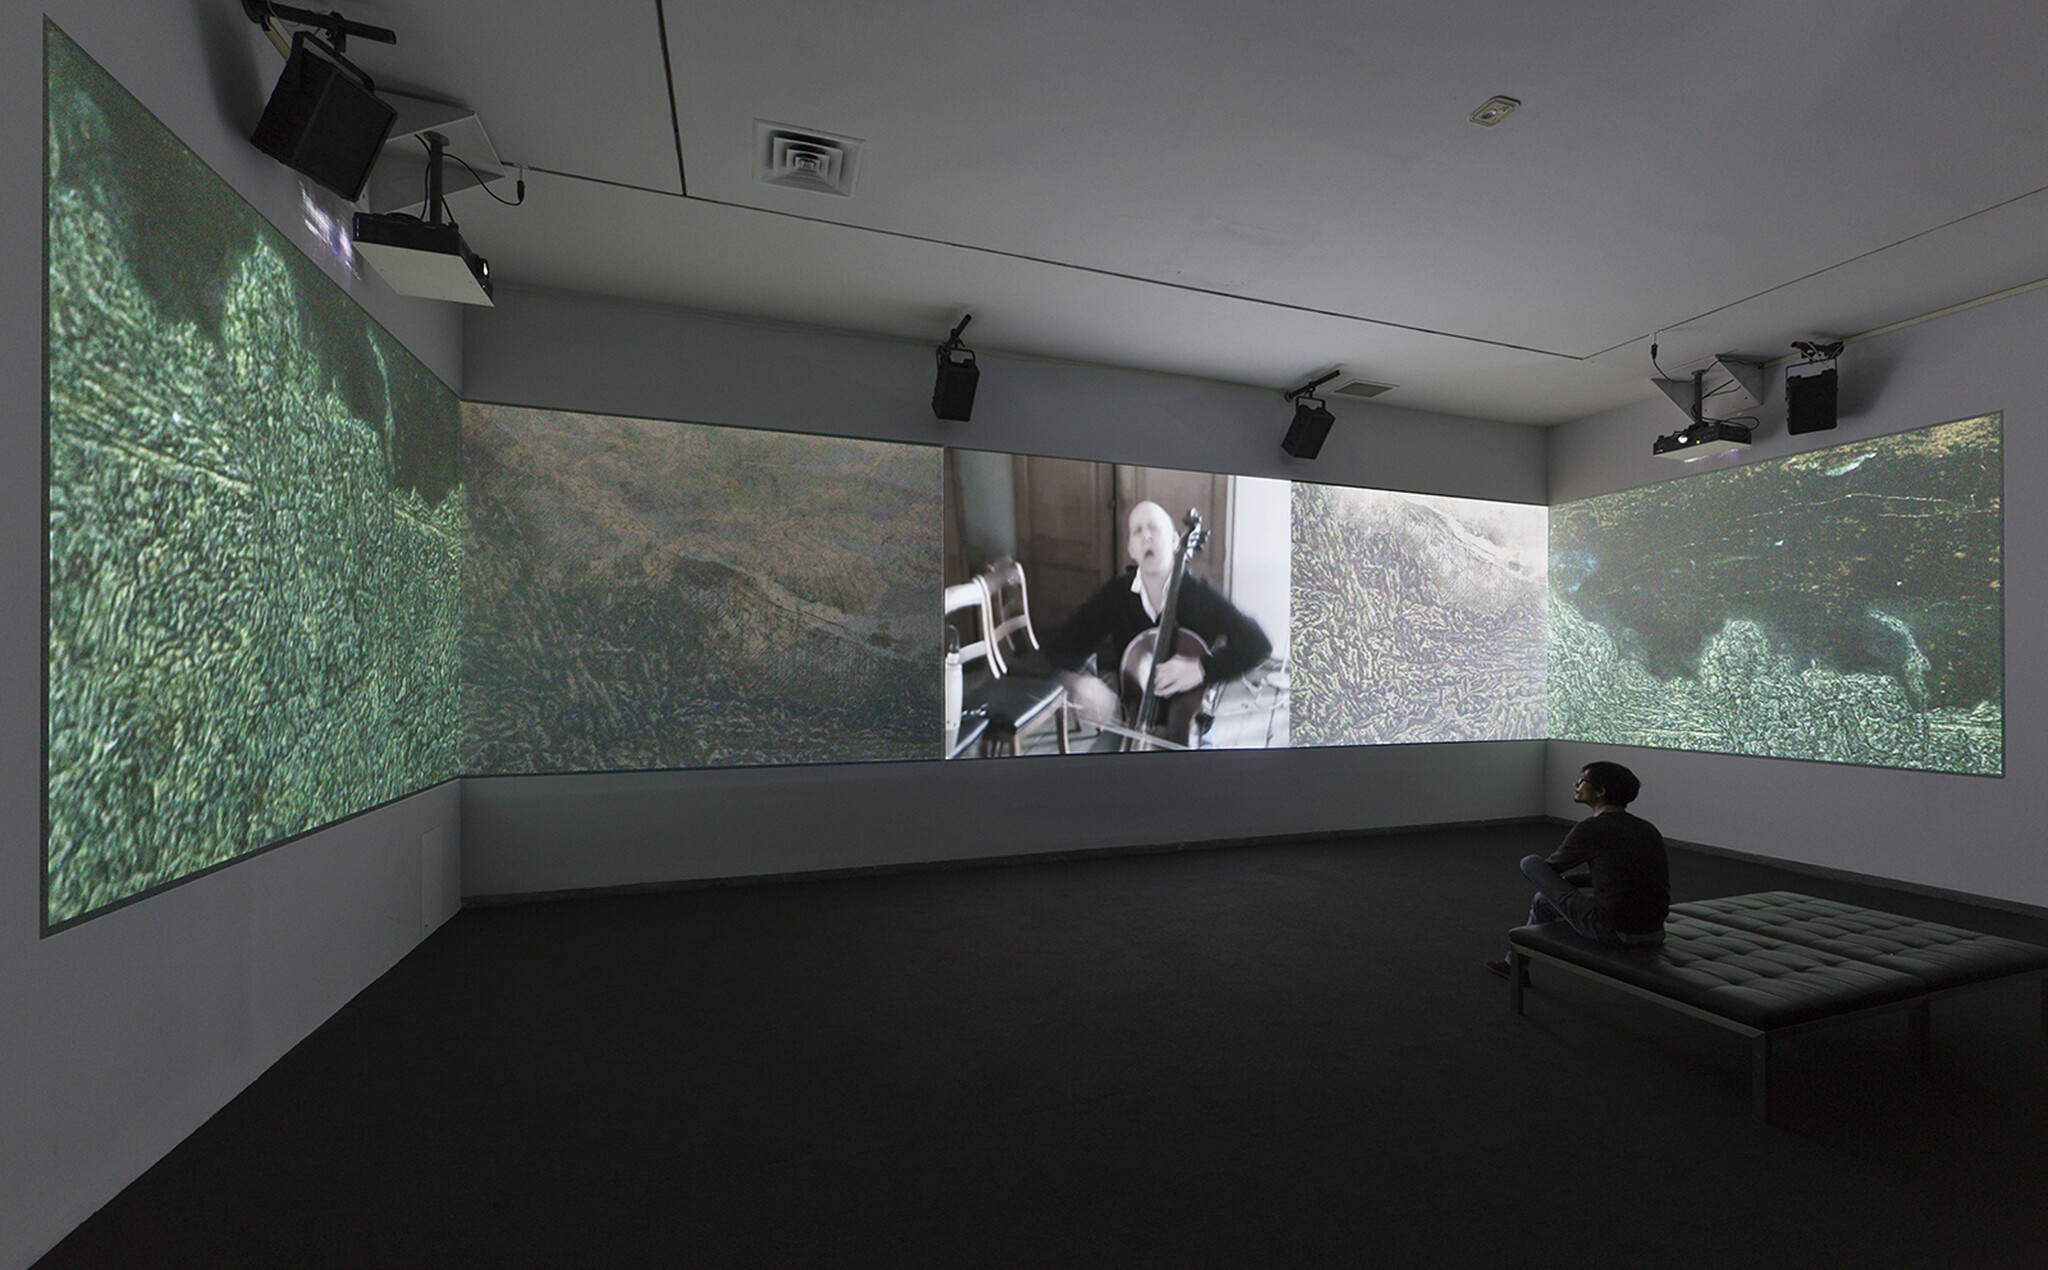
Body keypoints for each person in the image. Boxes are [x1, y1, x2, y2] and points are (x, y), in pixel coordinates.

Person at [1040, 500, 1271, 739]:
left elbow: (1257, 643)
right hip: (1133, 724)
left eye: (1154, 528)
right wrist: (1080, 681)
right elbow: (1060, 645)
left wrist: (1201, 668)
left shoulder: (1200, 595)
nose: (1146, 536)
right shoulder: (1116, 595)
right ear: (1131, 549)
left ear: (1174, 540)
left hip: (1189, 728)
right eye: (1137, 531)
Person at [1486, 761, 1669, 978]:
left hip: (1615, 931)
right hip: (1654, 931)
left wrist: (1561, 884)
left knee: (1530, 862)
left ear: (1600, 791)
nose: (1576, 784)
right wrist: (1569, 883)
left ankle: (1514, 966)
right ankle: (1514, 966)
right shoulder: (1647, 828)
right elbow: (1619, 875)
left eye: (1582, 780)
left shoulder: (1591, 828)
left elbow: (1549, 869)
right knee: (1542, 899)